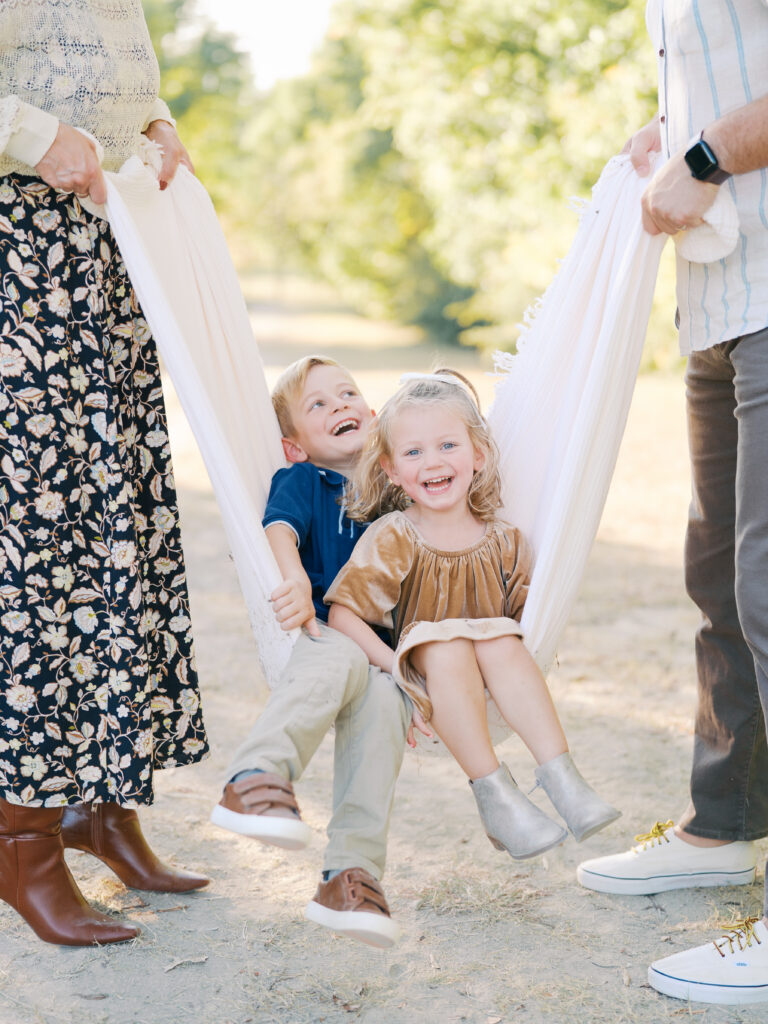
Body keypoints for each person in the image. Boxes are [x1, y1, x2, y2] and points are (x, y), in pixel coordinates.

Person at [0, 1, 210, 947]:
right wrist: (39, 135)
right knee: (40, 550)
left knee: (116, 525)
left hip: (103, 258)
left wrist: (158, 126)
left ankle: (100, 801)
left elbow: (119, 73)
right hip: (23, 261)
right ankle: (21, 839)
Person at [575, 0, 768, 1005]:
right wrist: (674, 132)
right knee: (723, 582)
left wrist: (702, 155)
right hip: (725, 295)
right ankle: (726, 828)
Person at [325, 372, 620, 861]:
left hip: (492, 670)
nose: (433, 461)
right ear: (392, 470)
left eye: (447, 445)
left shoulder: (506, 541)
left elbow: (528, 627)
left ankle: (564, 780)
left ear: (478, 455)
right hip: (431, 671)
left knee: (501, 640)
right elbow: (343, 616)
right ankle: (497, 797)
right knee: (447, 644)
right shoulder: (394, 534)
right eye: (414, 452)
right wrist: (397, 669)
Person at [210, 356, 412, 949]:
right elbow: (279, 530)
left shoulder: (396, 486)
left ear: (375, 420)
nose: (339, 406)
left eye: (348, 394)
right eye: (318, 405)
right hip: (322, 632)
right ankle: (255, 776)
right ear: (294, 446)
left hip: (386, 655)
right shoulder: (303, 482)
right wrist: (295, 579)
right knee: (343, 658)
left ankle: (350, 875)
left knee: (384, 709)